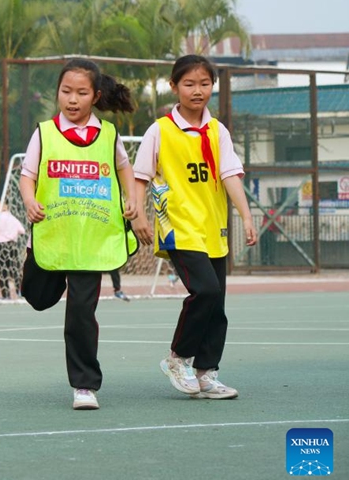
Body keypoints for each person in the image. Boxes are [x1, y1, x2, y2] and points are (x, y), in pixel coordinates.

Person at [132, 55, 258, 400]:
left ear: (212, 87)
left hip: (212, 228)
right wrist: (138, 216)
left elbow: (230, 176)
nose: (197, 90)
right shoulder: (160, 130)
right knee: (205, 290)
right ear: (174, 87)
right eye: (189, 83)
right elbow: (140, 177)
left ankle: (207, 373)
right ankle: (177, 359)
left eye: (204, 84)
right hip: (178, 228)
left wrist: (245, 216)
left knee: (217, 305)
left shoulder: (218, 132)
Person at [19, 59, 139, 410]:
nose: (72, 99)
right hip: (53, 235)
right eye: (66, 91)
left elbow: (124, 168)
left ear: (96, 96)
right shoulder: (44, 133)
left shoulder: (109, 136)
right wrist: (29, 200)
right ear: (57, 93)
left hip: (91, 240)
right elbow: (28, 175)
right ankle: (52, 279)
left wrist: (131, 199)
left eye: (81, 93)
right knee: (38, 297)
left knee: (81, 313)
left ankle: (84, 385)